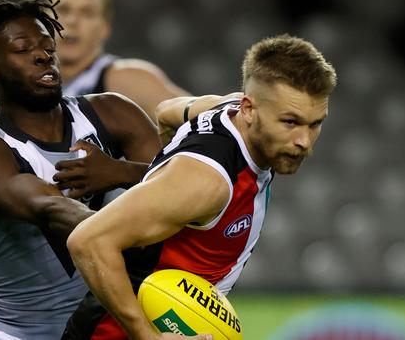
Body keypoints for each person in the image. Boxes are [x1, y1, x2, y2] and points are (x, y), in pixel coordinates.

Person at [64, 34, 337, 340]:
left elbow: (167, 111)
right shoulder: (205, 181)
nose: (303, 141)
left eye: (315, 123)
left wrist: (159, 174)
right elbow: (88, 242)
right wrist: (147, 337)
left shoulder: (225, 106)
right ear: (249, 109)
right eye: (290, 122)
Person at [0, 0, 160, 340]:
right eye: (22, 49)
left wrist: (121, 173)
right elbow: (53, 210)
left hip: (101, 326)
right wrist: (136, 222)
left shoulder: (113, 113)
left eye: (48, 46)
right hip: (15, 333)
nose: (43, 55)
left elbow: (178, 179)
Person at [47, 0, 188, 121]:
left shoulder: (124, 79)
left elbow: (207, 119)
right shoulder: (25, 86)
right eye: (62, 10)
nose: (72, 20)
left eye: (87, 13)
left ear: (105, 28)